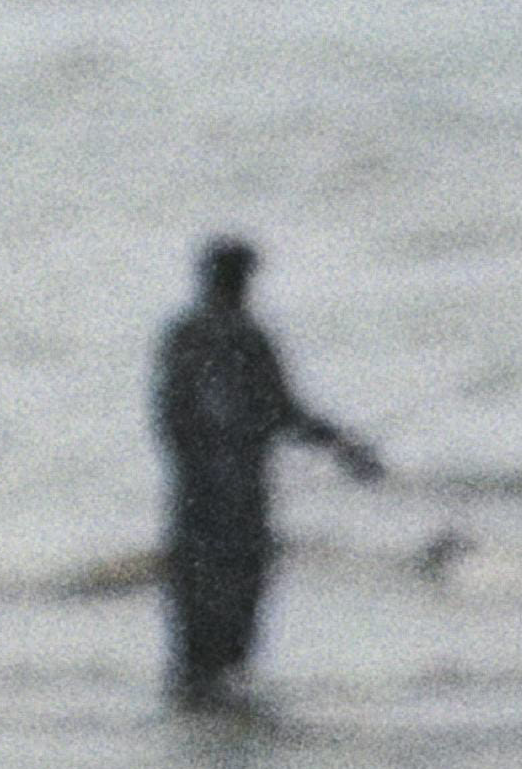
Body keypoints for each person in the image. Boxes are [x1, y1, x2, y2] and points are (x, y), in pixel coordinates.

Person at [150, 237, 379, 703]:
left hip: (192, 492)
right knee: (240, 596)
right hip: (241, 494)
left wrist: (194, 462)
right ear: (244, 280)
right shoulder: (249, 338)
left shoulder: (182, 336)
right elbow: (284, 411)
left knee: (194, 599)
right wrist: (343, 446)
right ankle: (227, 691)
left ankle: (194, 691)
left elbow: (168, 417)